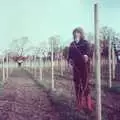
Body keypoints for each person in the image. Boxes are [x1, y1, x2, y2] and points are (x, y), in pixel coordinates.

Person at [68, 27, 94, 112]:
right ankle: (79, 104)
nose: (76, 34)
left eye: (78, 32)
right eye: (75, 33)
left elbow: (89, 52)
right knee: (77, 85)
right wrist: (70, 60)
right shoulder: (72, 44)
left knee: (86, 85)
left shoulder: (85, 43)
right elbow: (69, 56)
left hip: (85, 67)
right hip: (76, 68)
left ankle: (88, 105)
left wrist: (86, 55)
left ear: (81, 34)